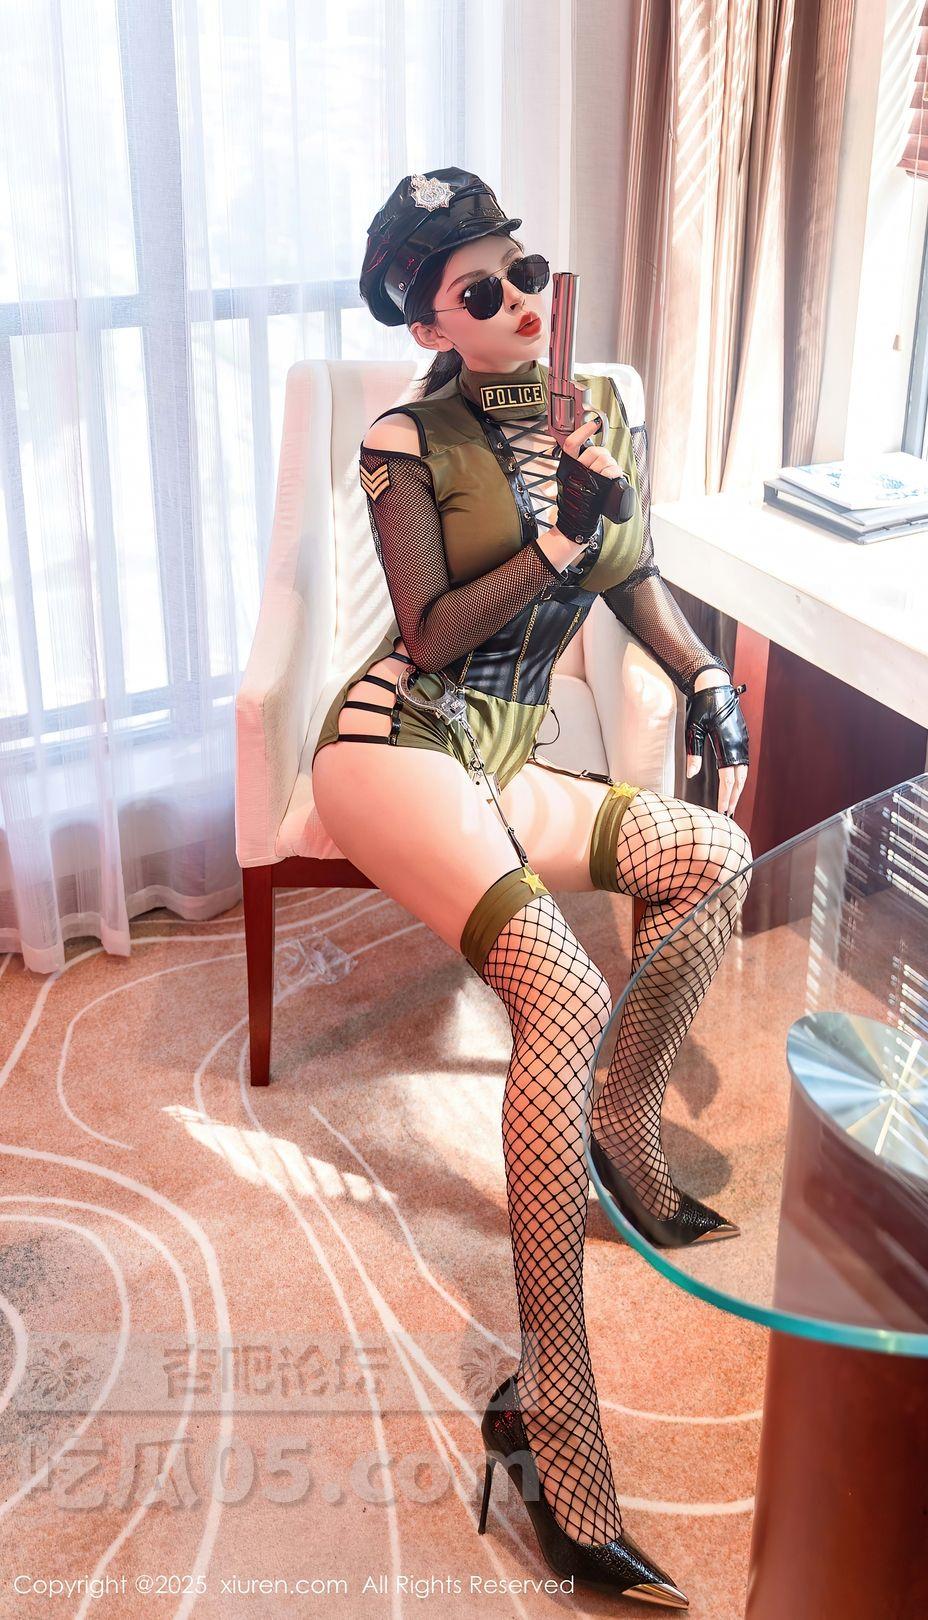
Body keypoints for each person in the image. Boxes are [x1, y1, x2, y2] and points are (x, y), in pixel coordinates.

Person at [311, 167, 753, 1609]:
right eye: (477, 290)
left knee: (711, 858)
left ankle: (622, 1127)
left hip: (502, 754)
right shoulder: (407, 436)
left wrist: (705, 676)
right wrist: (559, 530)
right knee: (558, 986)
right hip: (396, 743)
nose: (515, 301)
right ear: (429, 320)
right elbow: (434, 630)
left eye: (522, 272)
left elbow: (632, 574)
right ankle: (552, 1419)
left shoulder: (595, 407)